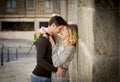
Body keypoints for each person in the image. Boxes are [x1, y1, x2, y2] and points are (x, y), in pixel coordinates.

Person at [31, 14, 67, 82]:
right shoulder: (44, 38)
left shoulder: (52, 36)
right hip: (39, 78)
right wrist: (56, 70)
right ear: (53, 25)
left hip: (45, 77)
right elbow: (40, 60)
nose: (60, 31)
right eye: (59, 29)